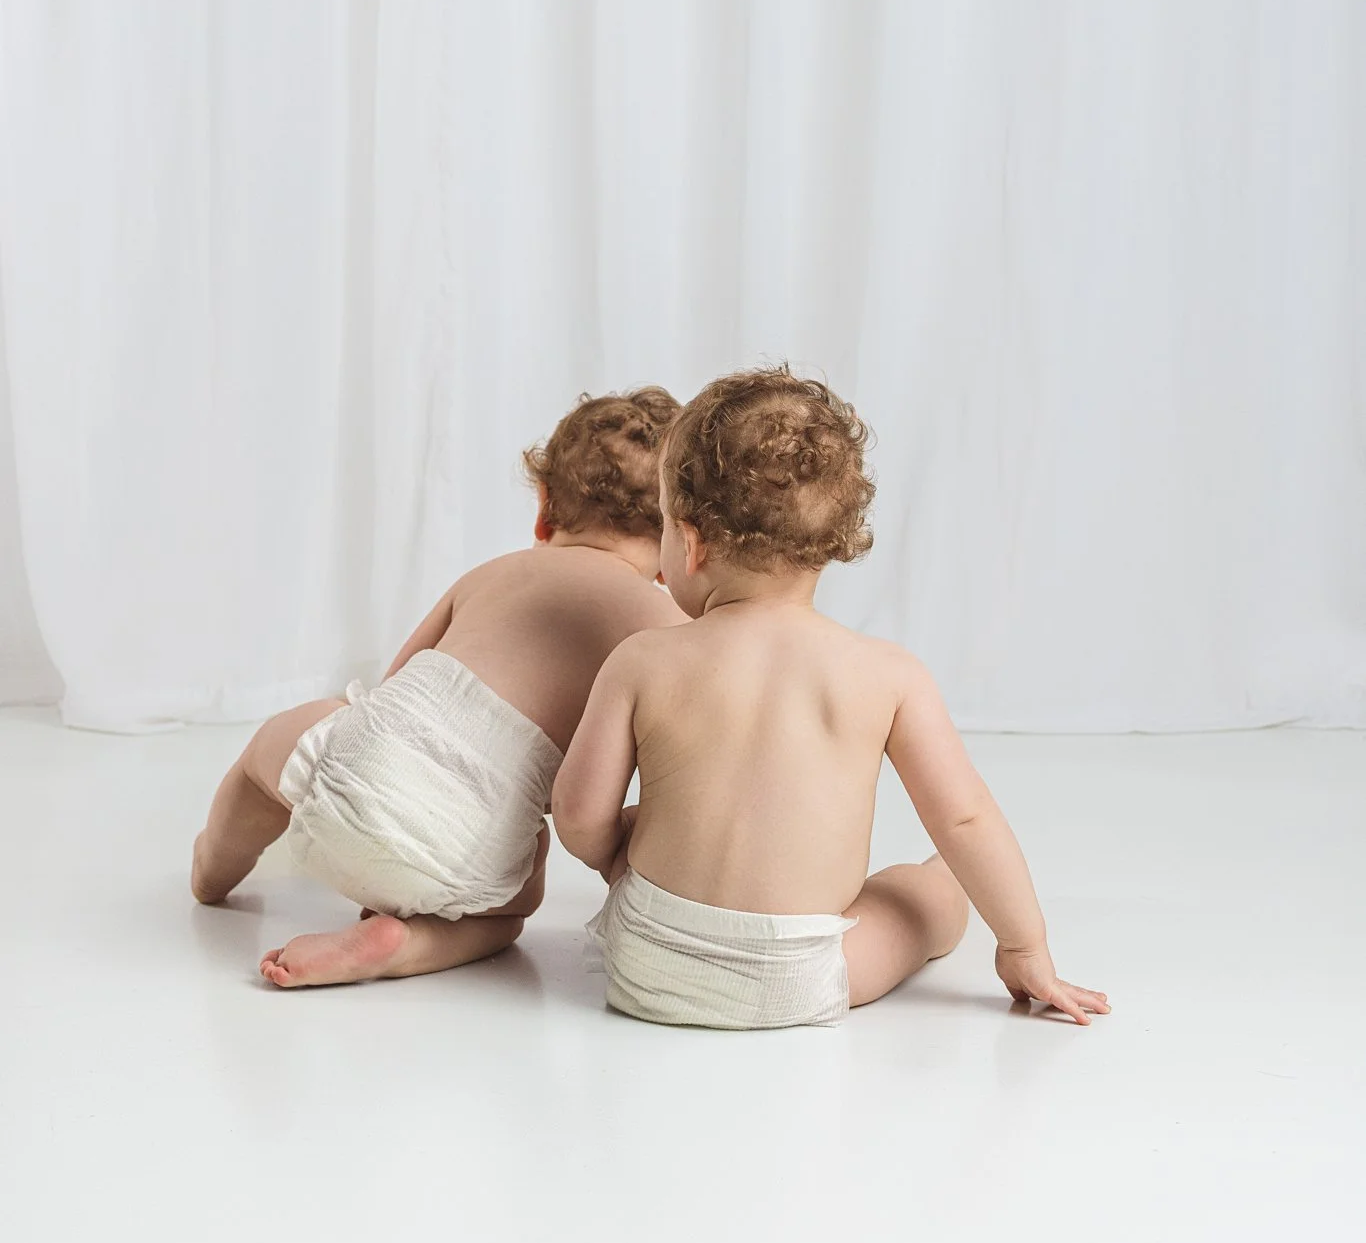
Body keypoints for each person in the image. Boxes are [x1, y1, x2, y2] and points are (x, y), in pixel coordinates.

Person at [554, 367, 1109, 1031]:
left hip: (645, 962)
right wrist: (1026, 947)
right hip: (797, 976)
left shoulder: (643, 659)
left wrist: (623, 851)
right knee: (924, 892)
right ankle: (944, 890)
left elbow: (580, 813)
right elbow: (964, 820)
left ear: (692, 542)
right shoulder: (887, 674)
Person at [193, 387, 684, 987]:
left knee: (283, 739)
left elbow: (392, 689)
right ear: (675, 547)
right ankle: (403, 942)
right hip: (469, 862)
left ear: (544, 507)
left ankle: (211, 868)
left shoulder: (494, 575)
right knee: (514, 907)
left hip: (350, 782)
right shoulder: (666, 632)